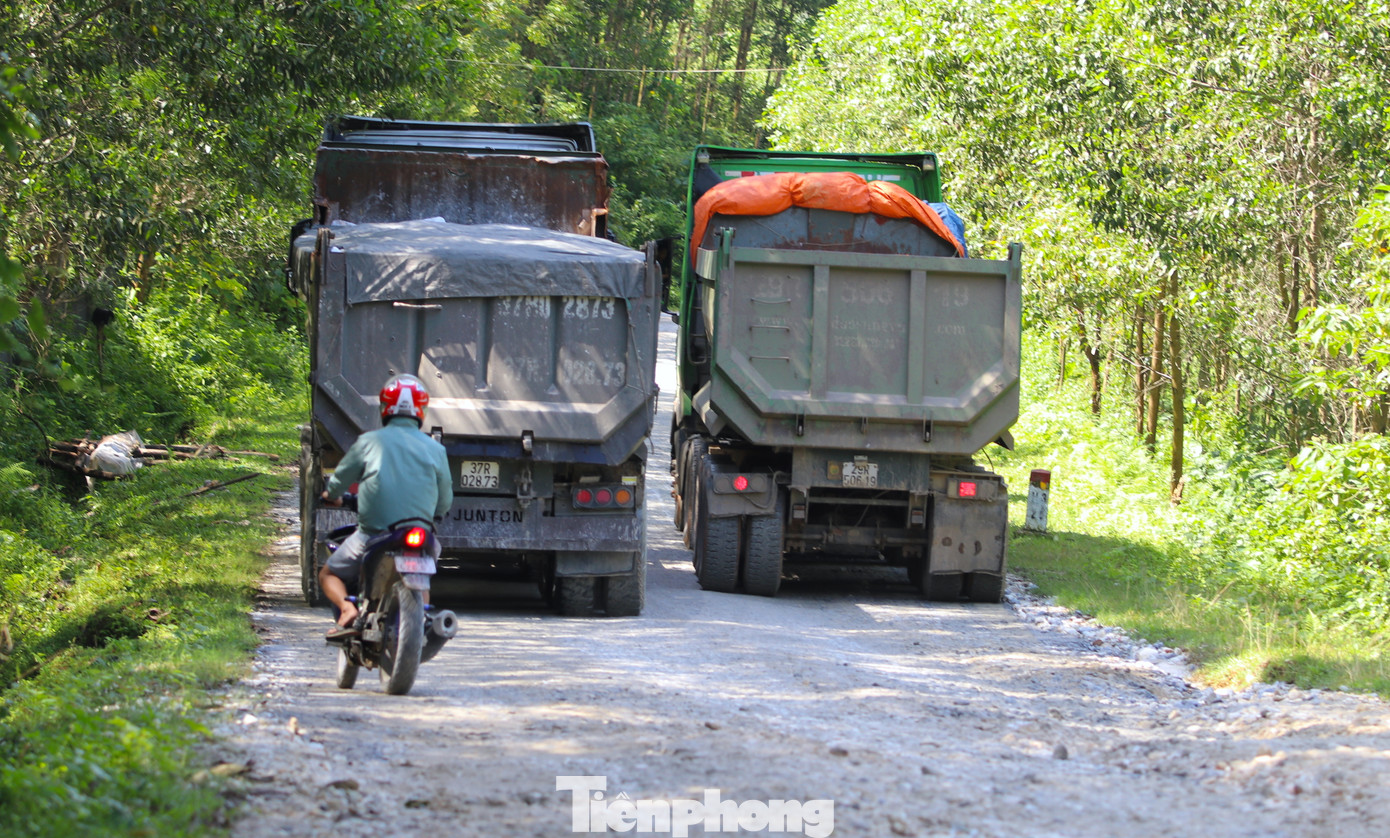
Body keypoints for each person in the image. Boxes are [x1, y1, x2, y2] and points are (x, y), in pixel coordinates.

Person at [319, 373, 453, 638]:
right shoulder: (435, 449)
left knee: (328, 573)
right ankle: (423, 617)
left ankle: (347, 609)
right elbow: (445, 499)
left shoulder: (369, 442)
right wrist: (435, 515)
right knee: (422, 569)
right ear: (421, 411)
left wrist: (331, 494)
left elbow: (338, 482)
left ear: (384, 408)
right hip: (421, 533)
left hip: (373, 534)